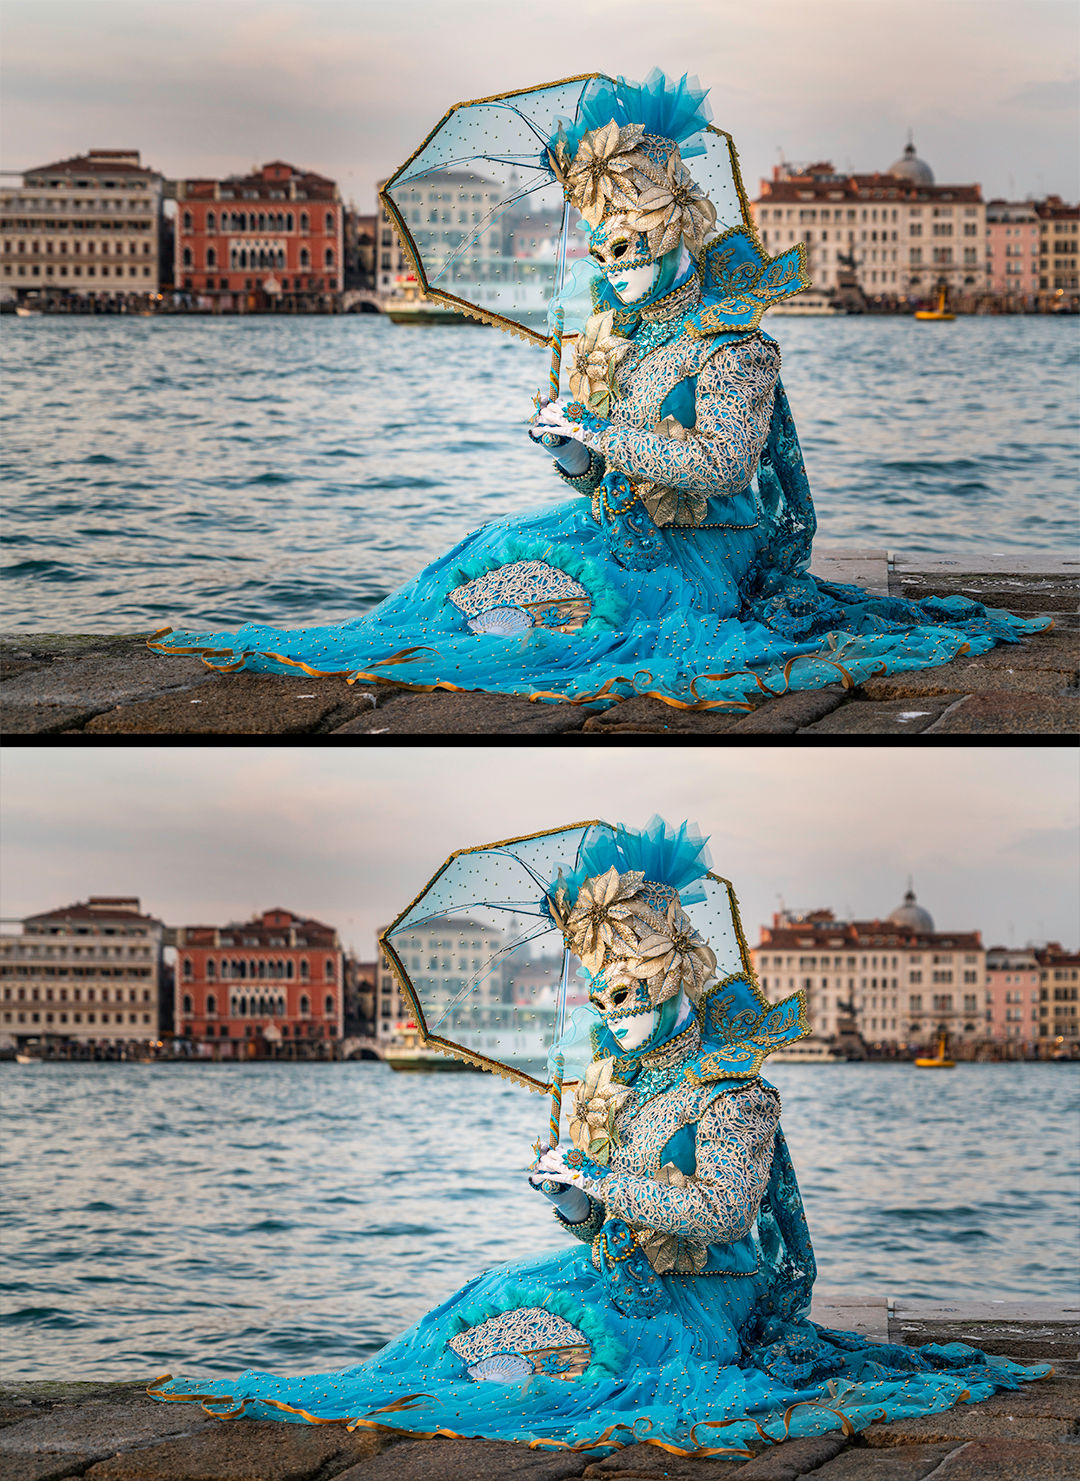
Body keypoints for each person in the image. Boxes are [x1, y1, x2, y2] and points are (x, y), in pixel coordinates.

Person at [149, 71, 1049, 711]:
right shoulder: (609, 341)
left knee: (611, 615)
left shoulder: (737, 346)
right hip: (627, 526)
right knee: (489, 555)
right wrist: (576, 452)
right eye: (602, 248)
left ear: (677, 235)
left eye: (631, 246)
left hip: (714, 550)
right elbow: (604, 481)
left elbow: (722, 461)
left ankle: (535, 634)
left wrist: (612, 437)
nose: (614, 268)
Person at [149, 819, 1046, 1459]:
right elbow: (607, 1228)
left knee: (606, 1362)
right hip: (627, 1273)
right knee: (491, 1299)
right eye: (606, 997)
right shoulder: (615, 1087)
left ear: (681, 979)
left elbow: (723, 1210)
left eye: (637, 994)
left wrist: (609, 1182)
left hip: (711, 1298)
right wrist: (575, 1197)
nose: (618, 1018)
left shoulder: (737, 1090)